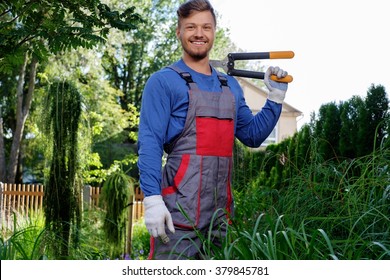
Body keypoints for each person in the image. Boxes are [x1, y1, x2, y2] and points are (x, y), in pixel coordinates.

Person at [137, 0, 288, 260]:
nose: (199, 33)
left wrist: (274, 99)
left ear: (214, 31)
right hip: (177, 217)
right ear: (179, 32)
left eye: (206, 27)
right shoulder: (163, 82)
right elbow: (149, 144)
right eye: (191, 27)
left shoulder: (230, 85)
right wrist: (151, 199)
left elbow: (252, 136)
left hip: (219, 220)